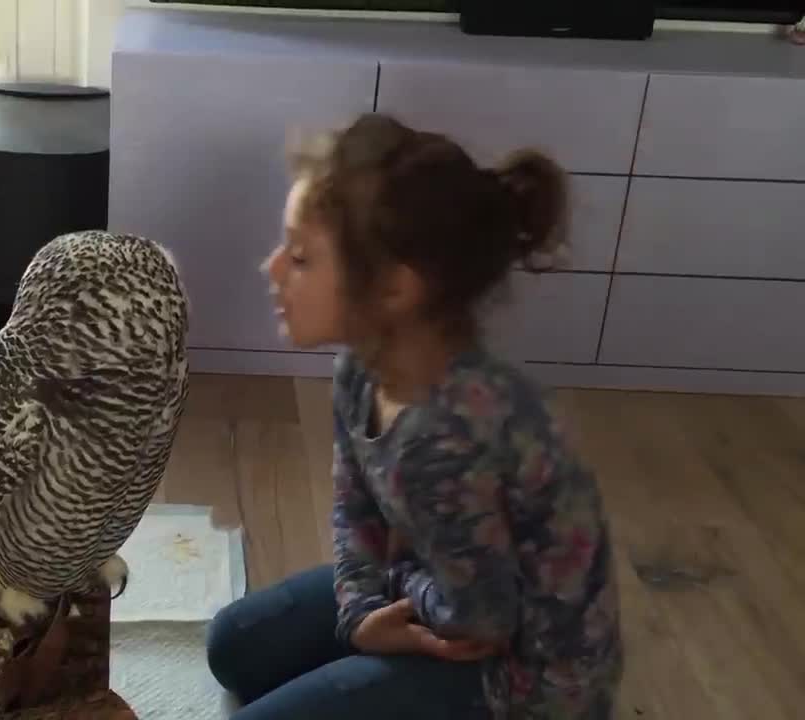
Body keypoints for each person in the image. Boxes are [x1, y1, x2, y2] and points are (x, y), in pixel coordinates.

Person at [205, 113, 623, 719]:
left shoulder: (449, 437)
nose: (271, 269)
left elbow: (483, 620)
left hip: (517, 679)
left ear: (395, 291)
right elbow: (356, 506)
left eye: (300, 257)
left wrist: (393, 595)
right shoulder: (361, 367)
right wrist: (358, 615)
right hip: (444, 590)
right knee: (234, 646)